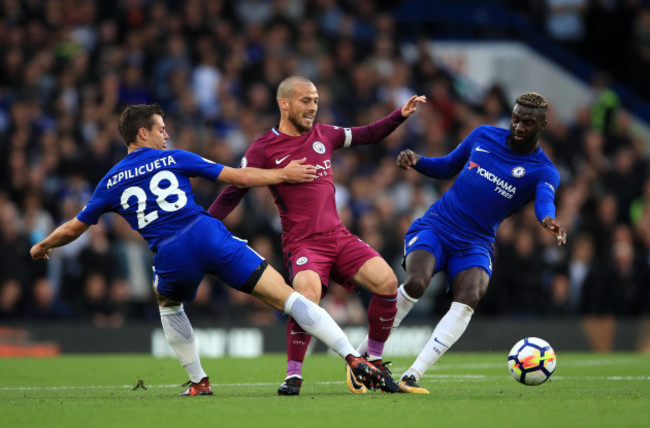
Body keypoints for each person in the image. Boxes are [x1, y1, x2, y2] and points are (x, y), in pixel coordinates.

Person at [29, 103, 387, 396]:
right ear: (143, 133)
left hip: (169, 251)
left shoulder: (109, 181)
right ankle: (354, 359)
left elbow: (75, 227)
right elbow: (239, 177)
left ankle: (200, 381)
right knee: (289, 297)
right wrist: (283, 175)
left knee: (167, 302)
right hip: (206, 232)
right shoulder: (175, 158)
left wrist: (43, 244)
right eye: (160, 129)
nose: (166, 134)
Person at [208, 76, 426, 395]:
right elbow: (235, 188)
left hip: (338, 237)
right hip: (304, 243)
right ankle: (293, 375)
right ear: (284, 103)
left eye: (315, 101)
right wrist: (205, 222)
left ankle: (372, 361)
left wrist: (400, 115)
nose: (313, 107)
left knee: (388, 282)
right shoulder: (264, 147)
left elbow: (367, 134)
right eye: (305, 101)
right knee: (306, 299)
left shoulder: (325, 134)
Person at [356, 92, 568, 393]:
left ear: (543, 125)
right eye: (516, 119)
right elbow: (446, 166)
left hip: (476, 241)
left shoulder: (544, 170)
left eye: (528, 123)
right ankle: (362, 357)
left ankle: (413, 374)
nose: (519, 127)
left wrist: (548, 219)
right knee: (416, 283)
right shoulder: (483, 135)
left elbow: (545, 200)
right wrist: (418, 161)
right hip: (437, 226)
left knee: (470, 295)